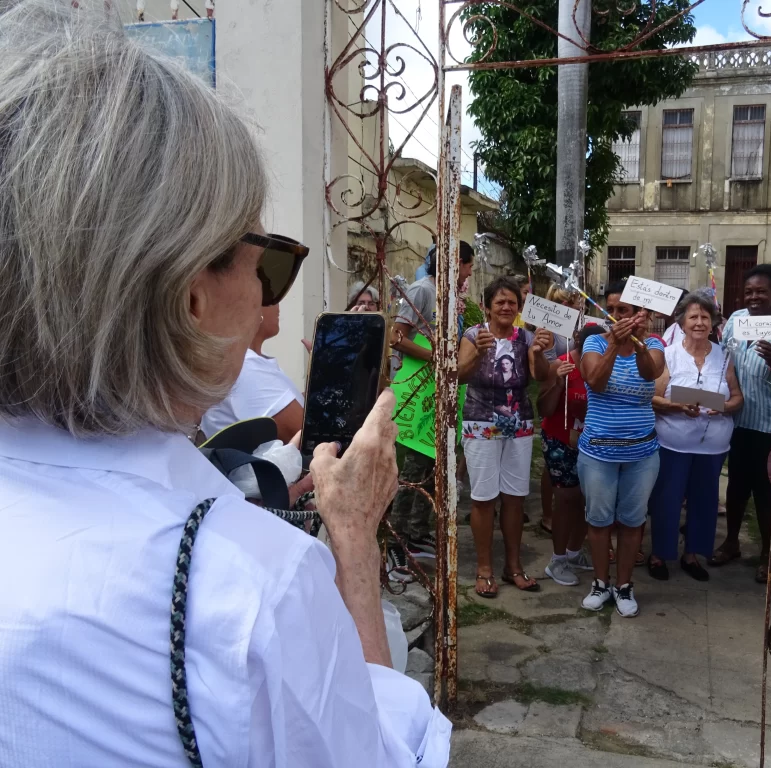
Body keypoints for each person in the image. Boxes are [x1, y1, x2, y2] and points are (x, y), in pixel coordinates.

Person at [0, 5, 449, 767]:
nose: (270, 307)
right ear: (189, 298)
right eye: (267, 263)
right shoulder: (246, 586)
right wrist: (352, 542)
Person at [577, 281, 666, 617]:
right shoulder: (595, 342)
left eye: (623, 310)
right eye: (611, 309)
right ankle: (601, 583)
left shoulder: (653, 344)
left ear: (638, 313)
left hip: (641, 455)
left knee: (632, 522)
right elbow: (595, 382)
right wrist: (614, 344)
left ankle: (624, 585)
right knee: (599, 521)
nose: (615, 316)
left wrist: (637, 342)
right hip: (598, 453)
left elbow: (651, 373)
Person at [459, 276, 552, 597]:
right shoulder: (474, 335)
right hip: (481, 424)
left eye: (512, 302)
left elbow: (541, 376)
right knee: (484, 497)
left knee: (515, 497)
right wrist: (477, 353)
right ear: (487, 307)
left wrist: (540, 352)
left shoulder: (526, 337)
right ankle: (484, 568)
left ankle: (513, 566)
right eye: (499, 302)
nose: (506, 307)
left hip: (519, 424)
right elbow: (458, 374)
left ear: (519, 307)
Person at [387, 240, 474, 565]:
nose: (469, 273)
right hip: (418, 392)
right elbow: (396, 336)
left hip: (439, 393)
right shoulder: (422, 290)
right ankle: (396, 542)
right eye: (468, 266)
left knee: (433, 466)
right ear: (456, 263)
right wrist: (435, 356)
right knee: (414, 469)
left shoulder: (451, 297)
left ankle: (417, 532)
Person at [648, 294, 743, 582]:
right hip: (672, 444)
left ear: (713, 323)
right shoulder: (669, 355)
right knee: (667, 500)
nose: (699, 322)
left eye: (705, 317)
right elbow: (653, 397)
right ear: (681, 323)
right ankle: (659, 554)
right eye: (693, 317)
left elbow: (737, 397)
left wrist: (724, 407)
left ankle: (692, 555)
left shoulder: (724, 355)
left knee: (705, 502)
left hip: (713, 447)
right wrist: (677, 406)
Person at [710, 264, 771, 582]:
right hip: (737, 420)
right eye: (749, 292)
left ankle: (769, 556)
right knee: (737, 486)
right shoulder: (737, 320)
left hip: (770, 424)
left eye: (761, 291)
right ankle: (731, 543)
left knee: (766, 491)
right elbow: (724, 360)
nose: (754, 297)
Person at [538, 324, 605, 586]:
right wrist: (558, 384)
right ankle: (557, 560)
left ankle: (574, 552)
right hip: (560, 438)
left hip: (591, 441)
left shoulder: (603, 366)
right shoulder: (561, 364)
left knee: (588, 500)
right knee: (567, 499)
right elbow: (543, 409)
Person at [200, 302, 305, 442]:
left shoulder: (249, 362)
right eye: (271, 296)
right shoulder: (246, 367)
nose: (278, 303)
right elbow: (312, 436)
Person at [539, 285, 583, 536]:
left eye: (575, 304)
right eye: (564, 304)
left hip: (576, 400)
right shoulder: (549, 331)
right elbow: (546, 366)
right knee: (550, 467)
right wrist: (559, 371)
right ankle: (548, 514)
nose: (572, 308)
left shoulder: (579, 330)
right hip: (556, 393)